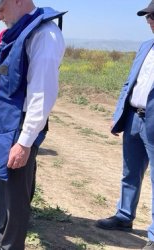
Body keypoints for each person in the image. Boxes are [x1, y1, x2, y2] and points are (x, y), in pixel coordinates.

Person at [0, 0, 65, 248]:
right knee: (0, 184)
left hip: (19, 126)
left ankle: (11, 245)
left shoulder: (45, 35)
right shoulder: (11, 33)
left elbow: (42, 93)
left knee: (16, 194)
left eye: (0, 6)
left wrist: (25, 142)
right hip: (0, 122)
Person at [95, 1, 154, 249]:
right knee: (130, 171)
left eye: (152, 16)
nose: (149, 20)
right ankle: (124, 216)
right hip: (133, 118)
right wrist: (119, 113)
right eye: (148, 16)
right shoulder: (145, 46)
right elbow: (129, 83)